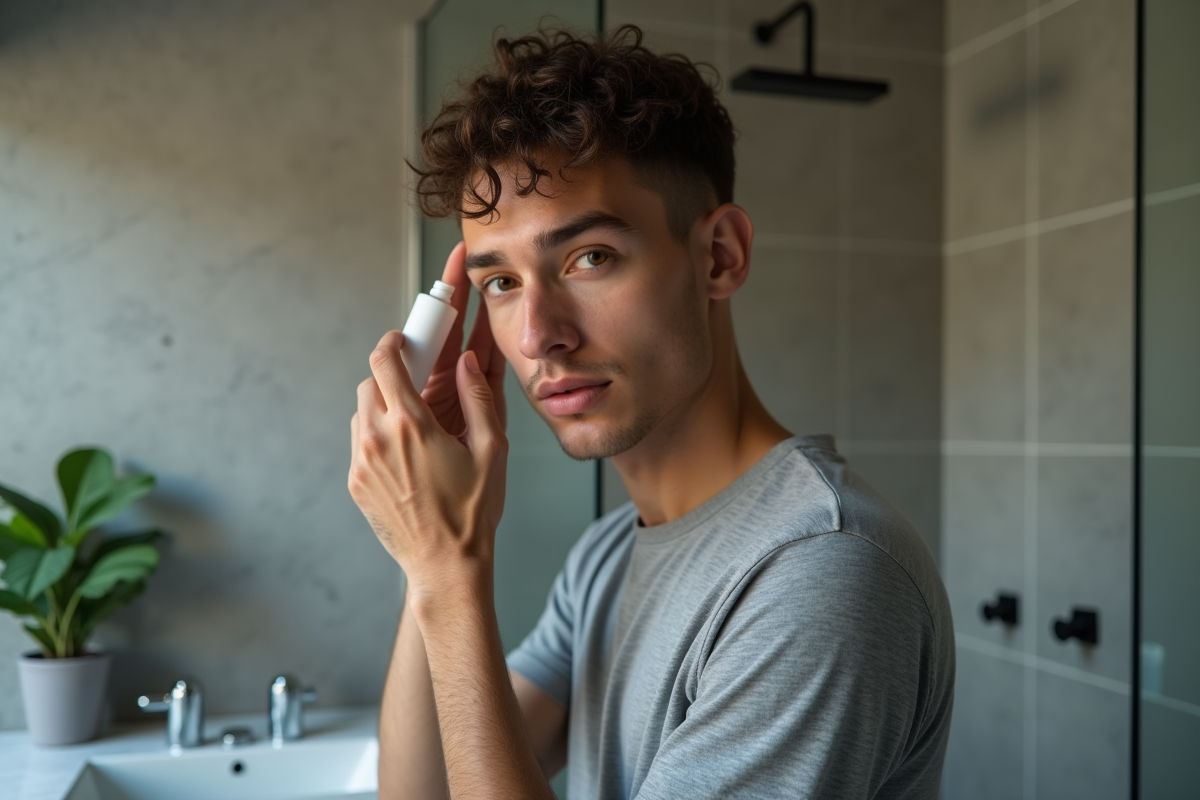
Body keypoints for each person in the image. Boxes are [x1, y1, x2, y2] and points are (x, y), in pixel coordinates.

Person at [348, 25, 954, 800]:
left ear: (720, 256)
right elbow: (421, 792)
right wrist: (430, 553)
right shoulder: (605, 558)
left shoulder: (820, 570)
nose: (539, 336)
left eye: (588, 258)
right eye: (501, 282)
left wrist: (450, 569)